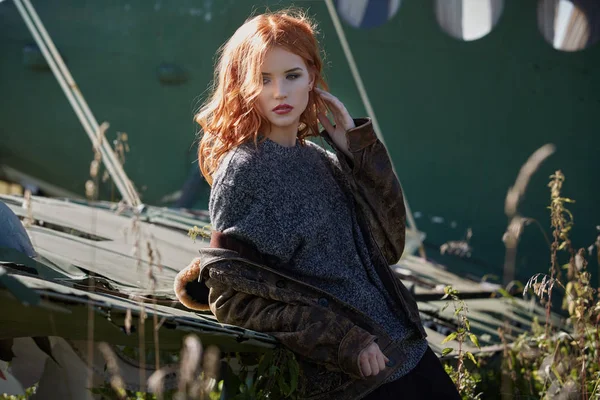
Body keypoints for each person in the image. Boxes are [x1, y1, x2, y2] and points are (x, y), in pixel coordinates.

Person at [174, 9, 460, 400]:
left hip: (407, 350)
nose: (280, 92)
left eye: (292, 76)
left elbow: (388, 248)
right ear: (243, 86)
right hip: (354, 378)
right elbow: (232, 297)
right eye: (263, 79)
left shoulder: (321, 159)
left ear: (312, 77)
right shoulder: (244, 170)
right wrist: (344, 342)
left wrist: (357, 151)